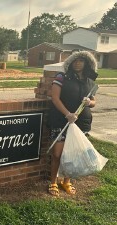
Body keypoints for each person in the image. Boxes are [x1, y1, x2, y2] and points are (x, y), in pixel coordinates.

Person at [48, 50, 98, 196]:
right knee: (57, 154)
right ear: (70, 62)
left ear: (87, 64)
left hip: (81, 123)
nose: (77, 63)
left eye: (81, 61)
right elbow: (55, 98)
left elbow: (94, 102)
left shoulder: (89, 81)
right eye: (75, 60)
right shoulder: (61, 77)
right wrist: (67, 114)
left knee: (73, 154)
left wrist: (90, 102)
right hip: (60, 121)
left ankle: (66, 182)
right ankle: (53, 182)